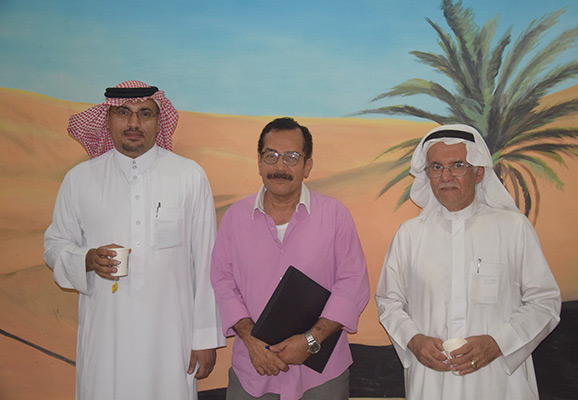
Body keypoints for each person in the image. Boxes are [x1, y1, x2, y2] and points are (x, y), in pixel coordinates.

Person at [43, 80, 225, 400]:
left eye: (145, 113)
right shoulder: (80, 180)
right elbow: (54, 245)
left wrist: (205, 338)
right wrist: (86, 259)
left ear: (158, 121)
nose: (133, 123)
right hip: (106, 339)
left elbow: (206, 263)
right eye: (123, 113)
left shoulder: (189, 176)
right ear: (108, 119)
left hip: (171, 339)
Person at [375, 124, 561, 399]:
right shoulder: (410, 235)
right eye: (436, 167)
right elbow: (388, 301)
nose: (446, 176)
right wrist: (414, 340)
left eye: (458, 165)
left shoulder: (513, 228)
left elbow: (544, 302)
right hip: (432, 381)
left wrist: (497, 343)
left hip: (499, 381)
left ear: (479, 172)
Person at [210, 117, 370, 400]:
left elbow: (353, 283)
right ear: (259, 162)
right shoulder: (235, 218)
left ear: (307, 165)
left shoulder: (335, 216)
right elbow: (222, 282)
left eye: (292, 157)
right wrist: (251, 340)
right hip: (254, 368)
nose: (280, 167)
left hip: (321, 376)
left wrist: (311, 340)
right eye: (271, 156)